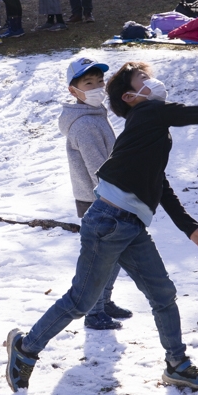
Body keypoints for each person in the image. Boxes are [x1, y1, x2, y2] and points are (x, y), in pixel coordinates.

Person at [6, 61, 198, 392]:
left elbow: (159, 183)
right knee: (80, 301)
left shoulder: (148, 131)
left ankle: (178, 365)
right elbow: (190, 114)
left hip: (128, 225)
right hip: (108, 221)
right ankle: (25, 350)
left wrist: (189, 228)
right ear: (130, 97)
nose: (154, 80)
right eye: (144, 78)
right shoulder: (148, 115)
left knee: (163, 293)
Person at [59, 57, 133, 330]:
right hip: (99, 200)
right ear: (73, 90)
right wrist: (114, 199)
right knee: (101, 258)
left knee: (114, 255)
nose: (97, 87)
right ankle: (94, 311)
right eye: (88, 83)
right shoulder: (84, 124)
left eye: (100, 81)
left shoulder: (93, 115)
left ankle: (104, 301)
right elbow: (97, 168)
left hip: (107, 195)